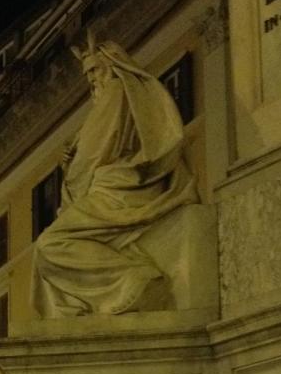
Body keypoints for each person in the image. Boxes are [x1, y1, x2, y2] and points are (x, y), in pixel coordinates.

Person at [30, 34, 198, 317]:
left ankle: (132, 276)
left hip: (118, 189)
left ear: (111, 64)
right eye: (87, 74)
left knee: (50, 243)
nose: (91, 79)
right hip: (124, 184)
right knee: (47, 248)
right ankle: (85, 302)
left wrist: (72, 170)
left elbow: (94, 154)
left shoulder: (115, 92)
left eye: (94, 70)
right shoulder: (125, 93)